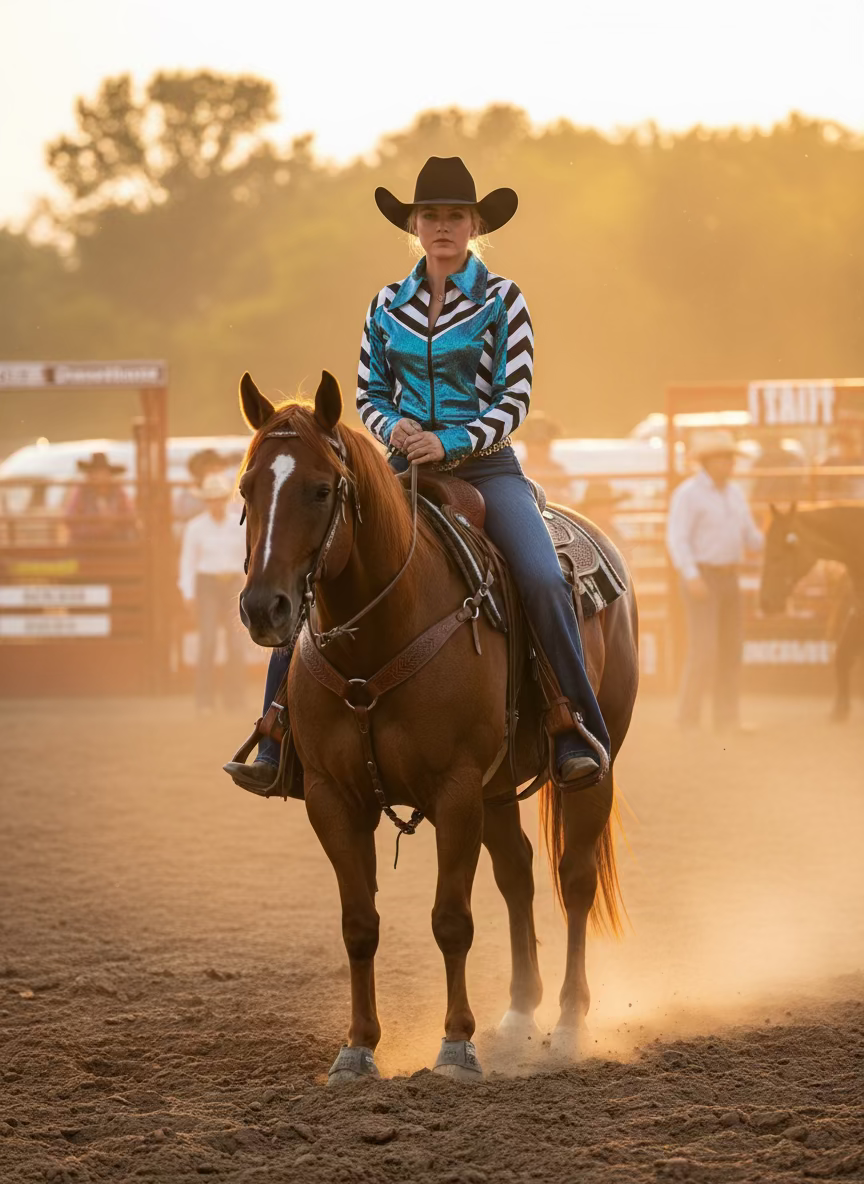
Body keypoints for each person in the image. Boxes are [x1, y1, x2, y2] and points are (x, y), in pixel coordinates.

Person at [227, 155, 610, 792]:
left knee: (542, 576)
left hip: (488, 469)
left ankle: (574, 724)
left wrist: (450, 438)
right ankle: (276, 731)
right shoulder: (384, 304)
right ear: (413, 224)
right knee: (317, 566)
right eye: (430, 215)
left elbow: (514, 400)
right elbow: (368, 390)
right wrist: (391, 429)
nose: (442, 226)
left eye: (455, 216)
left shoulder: (504, 299)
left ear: (475, 225)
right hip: (396, 468)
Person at [666, 429, 764, 731]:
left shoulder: (734, 494)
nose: (729, 464)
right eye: (723, 458)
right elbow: (677, 538)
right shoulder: (689, 493)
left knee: (731, 647)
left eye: (730, 458)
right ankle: (689, 717)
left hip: (728, 576)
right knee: (705, 649)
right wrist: (691, 574)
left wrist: (776, 542)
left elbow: (750, 535)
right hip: (704, 575)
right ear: (708, 462)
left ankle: (726, 718)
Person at [178, 472, 248, 713]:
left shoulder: (239, 523)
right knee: (207, 642)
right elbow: (187, 562)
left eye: (219, 498)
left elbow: (247, 556)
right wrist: (187, 592)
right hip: (207, 583)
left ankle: (234, 698)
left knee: (236, 643)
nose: (216, 503)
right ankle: (204, 700)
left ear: (224, 498)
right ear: (206, 501)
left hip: (232, 584)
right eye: (211, 499)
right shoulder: (195, 527)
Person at [66, 451, 135, 543]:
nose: (100, 477)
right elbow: (71, 517)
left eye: (103, 473)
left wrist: (115, 525)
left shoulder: (118, 491)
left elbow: (129, 514)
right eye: (96, 473)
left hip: (115, 539)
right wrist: (91, 530)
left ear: (109, 475)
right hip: (88, 540)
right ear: (90, 475)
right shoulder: (82, 491)